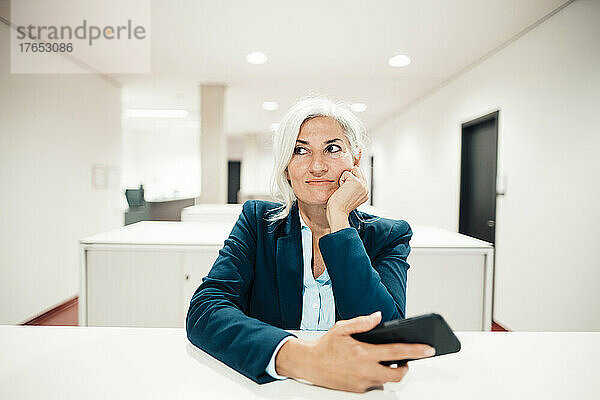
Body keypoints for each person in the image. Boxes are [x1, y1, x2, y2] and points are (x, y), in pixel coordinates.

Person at [186, 98, 434, 393]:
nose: (317, 166)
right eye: (300, 150)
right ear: (287, 168)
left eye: (332, 148)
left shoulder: (389, 235)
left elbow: (386, 335)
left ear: (355, 160)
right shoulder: (257, 221)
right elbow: (206, 308)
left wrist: (340, 220)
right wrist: (303, 359)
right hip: (274, 388)